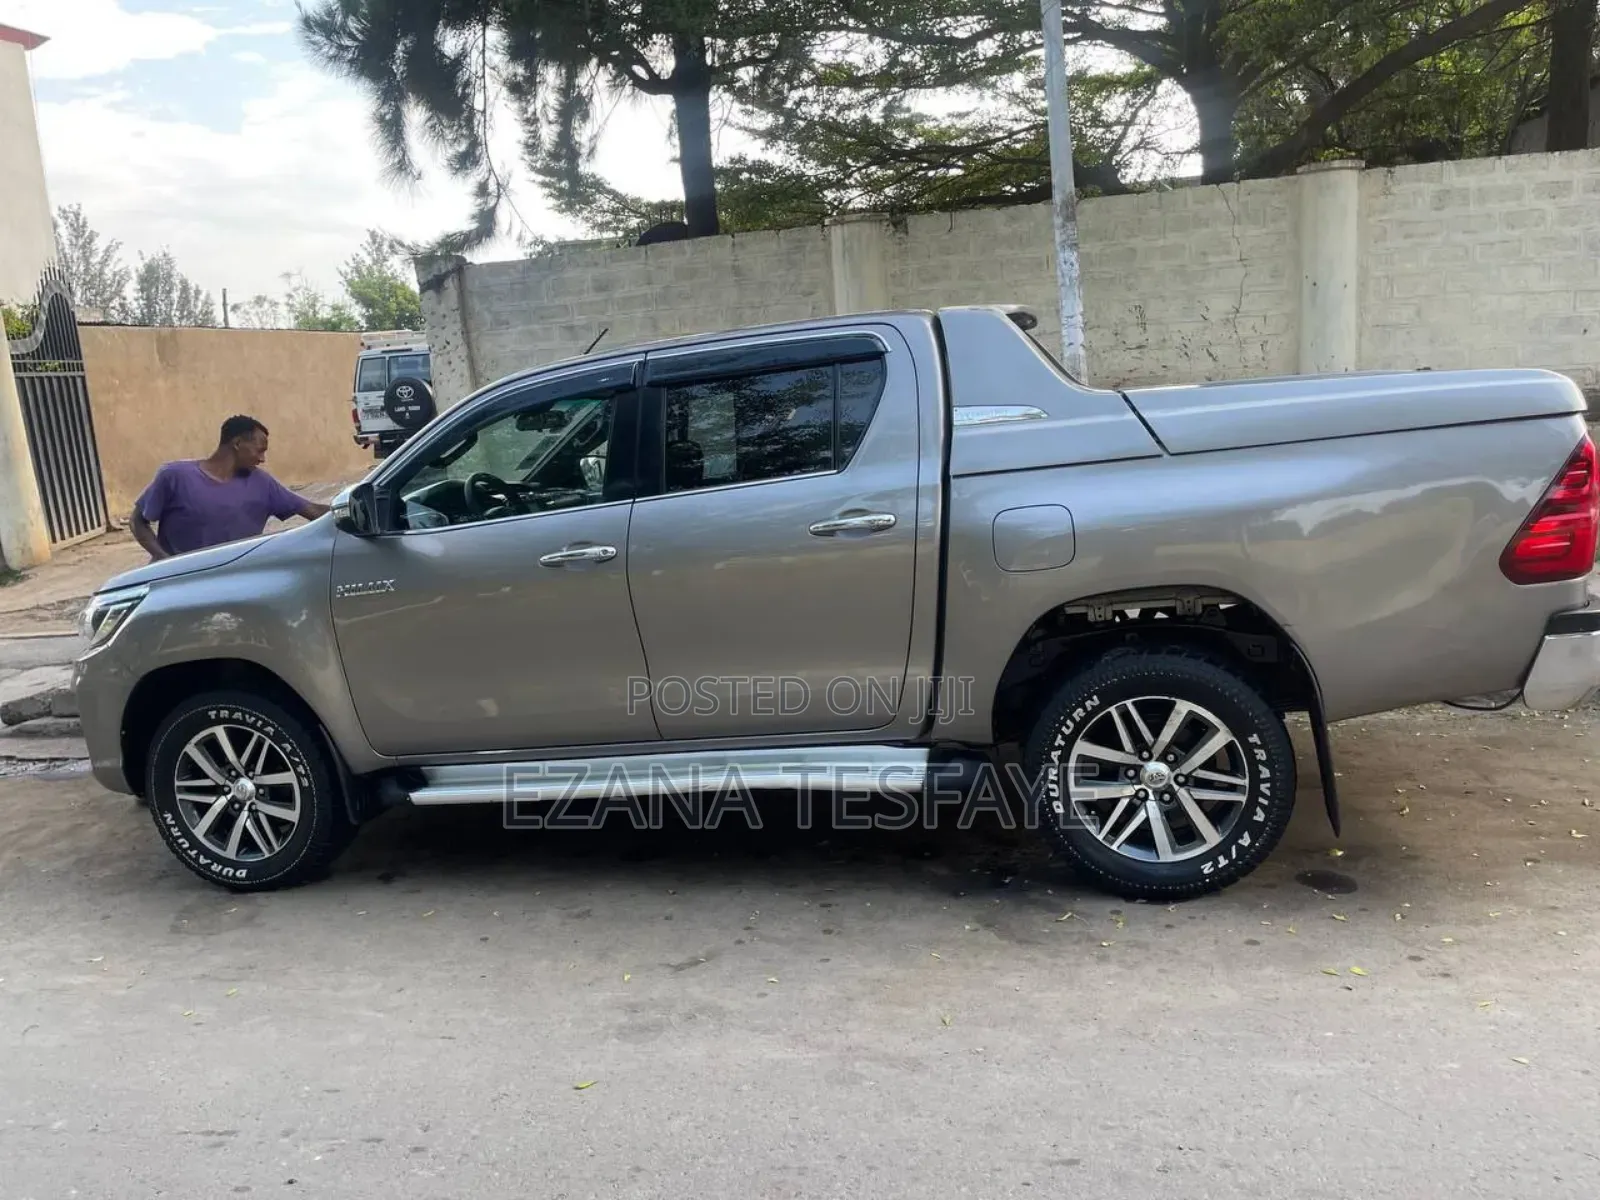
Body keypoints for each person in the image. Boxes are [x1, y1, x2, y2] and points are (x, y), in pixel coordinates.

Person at [131, 415, 331, 561]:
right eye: (259, 450)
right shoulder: (175, 476)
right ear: (237, 443)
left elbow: (311, 510)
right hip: (178, 582)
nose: (262, 459)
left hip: (231, 580)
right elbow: (138, 520)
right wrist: (164, 559)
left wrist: (349, 511)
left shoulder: (262, 484)